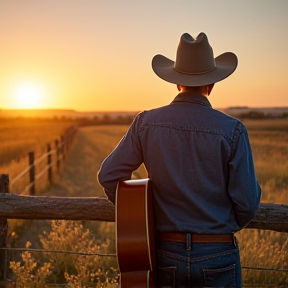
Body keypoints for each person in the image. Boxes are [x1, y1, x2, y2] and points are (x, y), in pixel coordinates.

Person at [98, 32, 261, 288]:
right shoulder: (234, 130)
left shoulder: (146, 123)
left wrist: (139, 216)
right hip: (218, 251)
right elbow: (248, 203)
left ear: (176, 83)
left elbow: (108, 175)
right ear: (213, 84)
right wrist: (217, 228)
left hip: (163, 251)